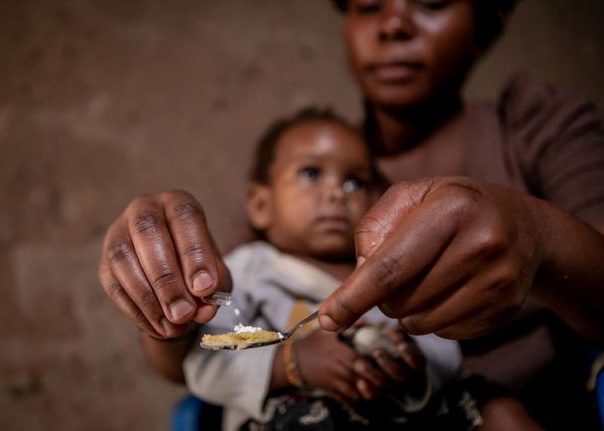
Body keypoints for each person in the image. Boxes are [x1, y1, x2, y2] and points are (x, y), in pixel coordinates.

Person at [97, 0, 604, 427]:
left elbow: (438, 354)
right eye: (368, 5)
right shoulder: (262, 255)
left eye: (431, 1)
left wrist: (536, 236)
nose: (394, 24)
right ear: (261, 203)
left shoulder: (531, 126)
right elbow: (214, 344)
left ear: (484, 24)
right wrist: (173, 302)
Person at [182, 106, 539, 430]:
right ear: (261, 204)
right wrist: (292, 363)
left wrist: (411, 363)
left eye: (355, 182)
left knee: (492, 404)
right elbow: (206, 360)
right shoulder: (248, 270)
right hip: (300, 411)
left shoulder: (391, 264)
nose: (337, 193)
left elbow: (442, 346)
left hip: (404, 406)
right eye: (310, 173)